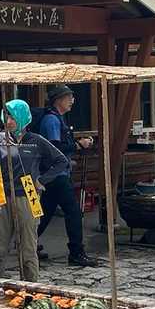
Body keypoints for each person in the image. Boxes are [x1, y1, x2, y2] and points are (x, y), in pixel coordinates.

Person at [0, 99, 68, 281]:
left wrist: (41, 180)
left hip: (28, 193)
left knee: (28, 249)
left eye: (13, 117)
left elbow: (61, 161)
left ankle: (31, 287)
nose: (8, 121)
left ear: (23, 118)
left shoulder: (36, 141)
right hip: (1, 193)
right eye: (6, 116)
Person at [35, 85, 95, 267]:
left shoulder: (57, 118)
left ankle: (27, 243)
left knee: (45, 212)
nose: (72, 101)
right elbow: (54, 148)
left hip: (55, 173)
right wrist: (78, 145)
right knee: (73, 212)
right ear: (58, 100)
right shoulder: (52, 121)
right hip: (56, 174)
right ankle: (76, 253)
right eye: (69, 97)